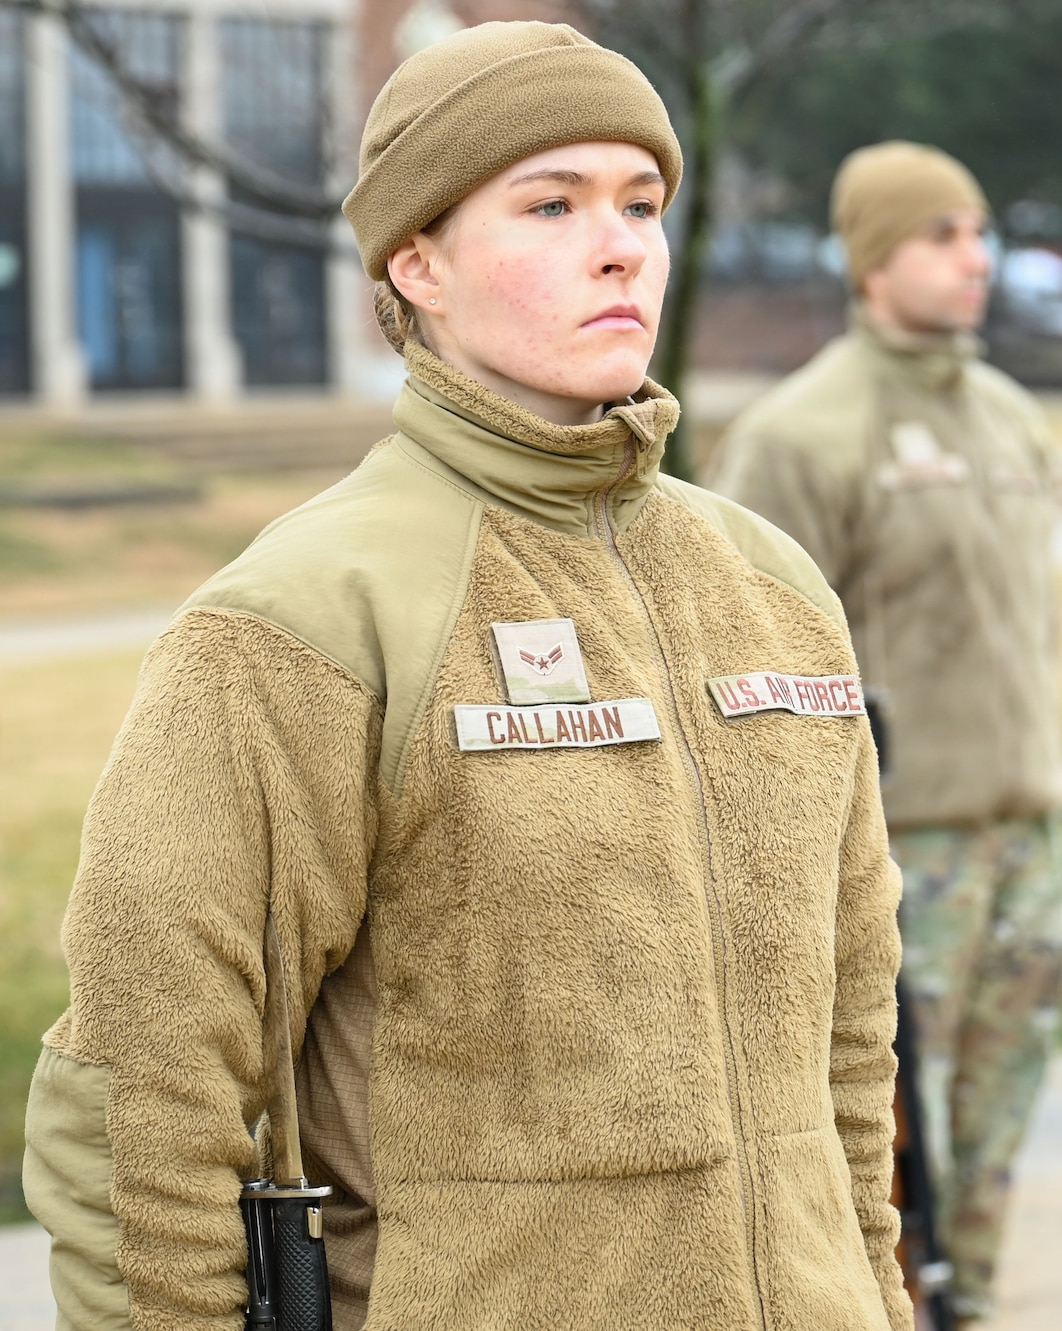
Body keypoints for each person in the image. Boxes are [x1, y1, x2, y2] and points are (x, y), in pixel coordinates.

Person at [23, 23, 909, 1331]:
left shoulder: (773, 593)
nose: (617, 244)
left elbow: (850, 1052)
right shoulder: (302, 617)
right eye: (550, 204)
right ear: (417, 263)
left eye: (641, 203)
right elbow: (143, 1089)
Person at [705, 142, 1062, 1324]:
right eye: (939, 235)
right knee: (885, 1148)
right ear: (870, 261)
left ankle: (979, 1299)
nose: (974, 256)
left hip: (1024, 835)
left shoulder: (1010, 417)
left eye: (977, 231)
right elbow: (742, 677)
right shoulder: (799, 435)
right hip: (896, 858)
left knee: (996, 1117)